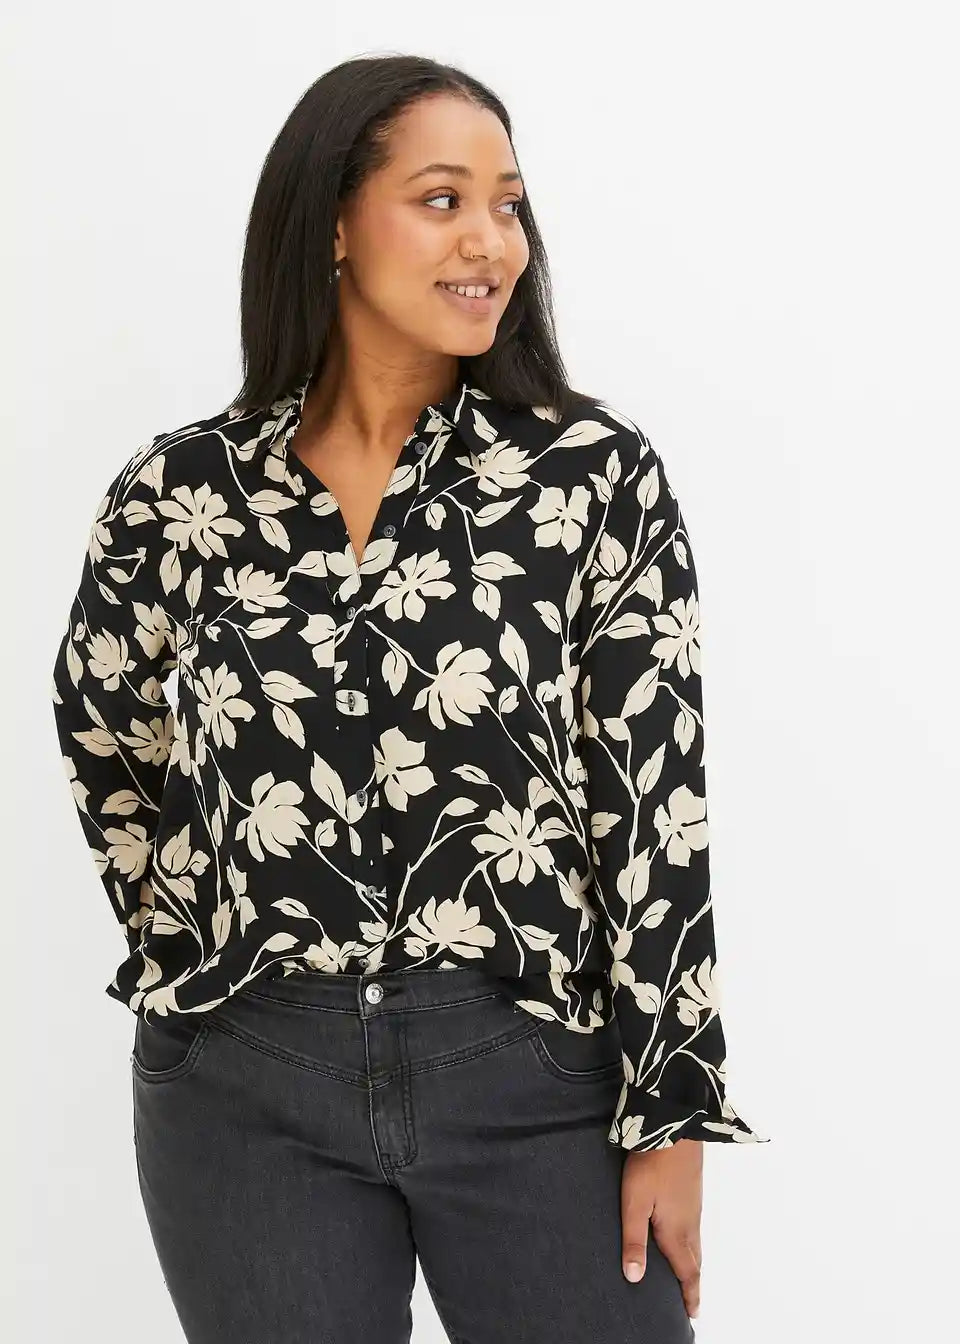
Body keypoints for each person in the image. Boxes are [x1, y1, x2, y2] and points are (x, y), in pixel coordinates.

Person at [50, 53, 768, 1344]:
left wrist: (672, 1111)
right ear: (334, 221)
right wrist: (205, 941)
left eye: (509, 203)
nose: (492, 239)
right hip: (247, 1089)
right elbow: (107, 729)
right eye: (443, 199)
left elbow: (656, 805)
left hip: (533, 1075)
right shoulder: (180, 495)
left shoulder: (589, 477)